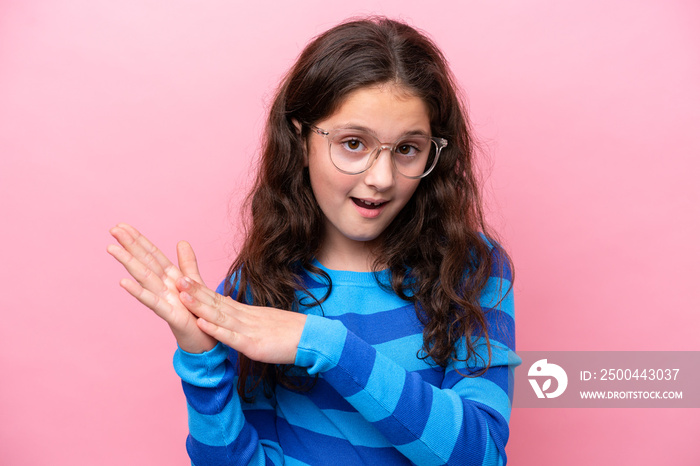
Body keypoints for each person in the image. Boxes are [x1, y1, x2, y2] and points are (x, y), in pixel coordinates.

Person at [108, 17, 520, 465]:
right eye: (353, 143)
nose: (381, 179)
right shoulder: (262, 284)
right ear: (301, 138)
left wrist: (327, 345)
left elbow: (480, 455)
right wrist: (202, 359)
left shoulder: (471, 266)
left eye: (407, 149)